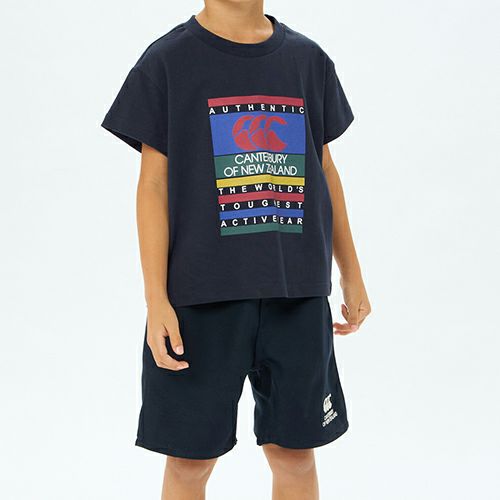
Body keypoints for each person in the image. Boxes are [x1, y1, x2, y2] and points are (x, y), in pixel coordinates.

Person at [101, 0, 371, 498]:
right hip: (200, 298)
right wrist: (156, 299)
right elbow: (152, 186)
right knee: (189, 462)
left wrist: (351, 273)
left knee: (296, 456)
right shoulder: (168, 61)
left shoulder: (308, 60)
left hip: (296, 293)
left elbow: (325, 169)